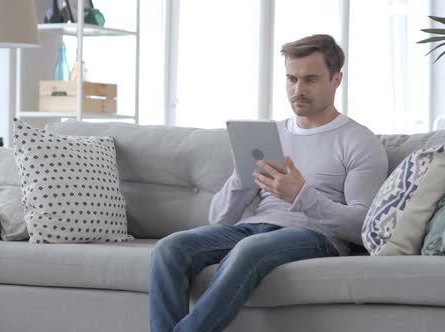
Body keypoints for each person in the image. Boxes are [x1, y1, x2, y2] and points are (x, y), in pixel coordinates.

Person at [149, 34, 389, 332]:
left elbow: (361, 227)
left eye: (310, 79)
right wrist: (241, 177)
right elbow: (219, 219)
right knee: (170, 248)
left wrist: (301, 196)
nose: (298, 89)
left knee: (249, 250)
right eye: (291, 78)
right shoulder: (269, 135)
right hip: (254, 227)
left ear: (336, 79)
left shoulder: (359, 142)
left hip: (316, 236)